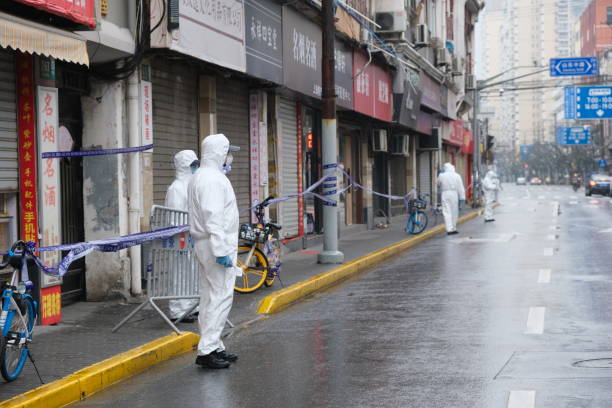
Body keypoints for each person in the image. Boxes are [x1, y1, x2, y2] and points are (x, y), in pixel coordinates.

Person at [188, 134, 240, 369]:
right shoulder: (212, 180)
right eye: (228, 152)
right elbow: (213, 217)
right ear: (220, 152)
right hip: (215, 244)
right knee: (220, 296)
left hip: (207, 243)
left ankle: (214, 345)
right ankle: (208, 350)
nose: (230, 157)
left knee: (209, 297)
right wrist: (221, 249)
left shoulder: (203, 176)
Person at [165, 150, 200, 323]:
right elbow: (174, 218)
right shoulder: (176, 188)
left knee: (192, 273)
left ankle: (192, 307)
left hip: (191, 237)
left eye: (196, 164)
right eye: (191, 165)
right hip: (180, 239)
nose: (195, 168)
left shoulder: (190, 186)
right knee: (179, 274)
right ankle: (178, 311)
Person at [437, 163, 466, 235]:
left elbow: (438, 184)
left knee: (447, 212)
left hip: (445, 193)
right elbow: (461, 187)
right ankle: (454, 228)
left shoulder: (442, 175)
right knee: (454, 211)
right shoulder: (457, 175)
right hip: (454, 194)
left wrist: (440, 176)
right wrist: (462, 198)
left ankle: (449, 229)